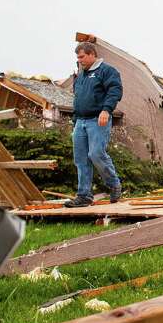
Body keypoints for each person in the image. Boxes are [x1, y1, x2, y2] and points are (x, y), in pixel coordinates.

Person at [65, 42, 124, 207]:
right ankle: (84, 196)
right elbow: (78, 99)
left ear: (92, 54)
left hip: (98, 119)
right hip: (80, 122)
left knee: (96, 153)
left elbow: (115, 91)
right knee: (81, 159)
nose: (79, 60)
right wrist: (76, 121)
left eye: (82, 57)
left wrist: (106, 110)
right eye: (77, 57)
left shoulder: (107, 71)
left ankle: (114, 185)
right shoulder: (81, 76)